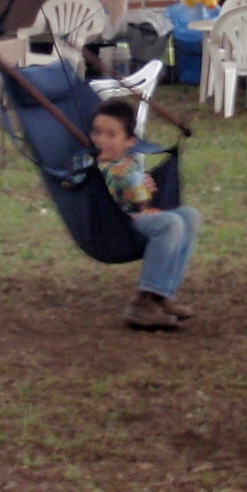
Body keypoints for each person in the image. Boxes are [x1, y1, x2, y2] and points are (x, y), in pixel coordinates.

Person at [90, 97, 202, 330]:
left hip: (137, 218)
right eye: (96, 132)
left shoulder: (130, 163)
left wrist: (146, 189)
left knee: (190, 216)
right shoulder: (90, 164)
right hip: (114, 225)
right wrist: (128, 190)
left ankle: (162, 295)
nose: (101, 140)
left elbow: (140, 203)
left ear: (130, 141)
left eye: (111, 135)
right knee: (171, 223)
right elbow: (99, 194)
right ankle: (141, 304)